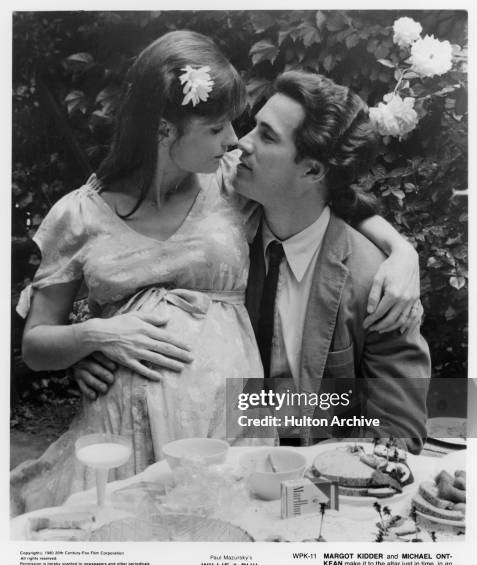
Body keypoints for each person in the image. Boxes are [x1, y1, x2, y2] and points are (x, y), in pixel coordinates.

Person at [12, 32, 419, 515]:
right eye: (222, 127)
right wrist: (95, 338)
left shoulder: (240, 189)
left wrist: (402, 249)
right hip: (123, 437)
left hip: (254, 451)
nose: (237, 141)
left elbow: (329, 192)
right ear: (165, 130)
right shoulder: (93, 213)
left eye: (258, 133)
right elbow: (46, 332)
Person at [237, 71, 430, 451]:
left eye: (267, 135)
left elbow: (396, 431)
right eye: (253, 127)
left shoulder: (377, 282)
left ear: (312, 170)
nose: (242, 143)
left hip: (322, 481)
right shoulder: (221, 238)